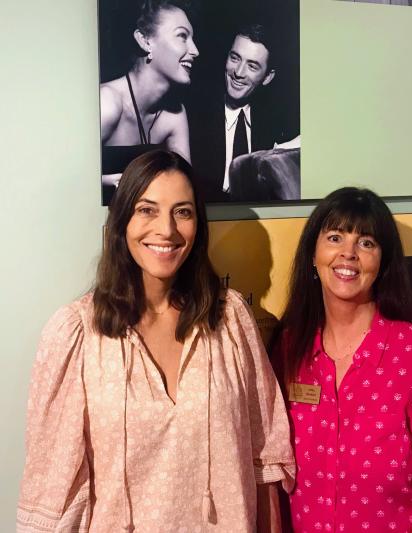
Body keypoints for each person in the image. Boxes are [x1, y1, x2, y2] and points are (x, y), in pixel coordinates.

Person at [17, 150, 295, 532]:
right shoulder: (77, 334)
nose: (166, 230)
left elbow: (263, 462)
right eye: (147, 210)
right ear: (121, 222)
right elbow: (53, 493)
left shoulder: (230, 319)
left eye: (182, 212)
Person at [273, 187, 412, 532]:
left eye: (366, 243)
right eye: (335, 237)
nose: (348, 253)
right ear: (313, 252)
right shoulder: (288, 349)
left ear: (382, 262)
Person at [100, 0, 199, 204]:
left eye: (193, 38)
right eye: (182, 36)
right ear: (145, 41)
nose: (195, 50)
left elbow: (186, 186)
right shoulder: (107, 103)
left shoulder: (175, 114)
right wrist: (108, 181)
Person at [190, 23, 292, 202]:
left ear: (267, 77)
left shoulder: (274, 122)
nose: (238, 72)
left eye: (252, 66)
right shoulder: (194, 114)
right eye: (235, 58)